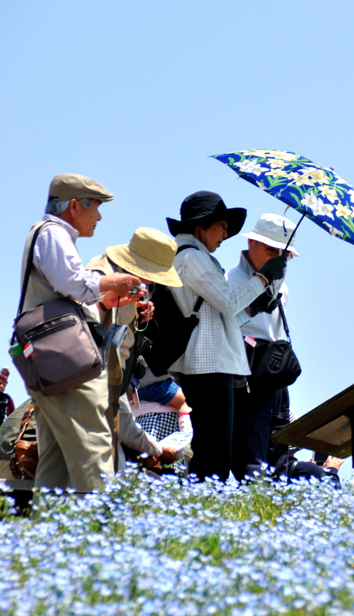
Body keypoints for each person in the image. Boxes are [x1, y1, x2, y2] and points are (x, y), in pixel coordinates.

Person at [17, 174, 142, 493]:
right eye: (96, 207)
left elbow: (65, 290)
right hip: (64, 360)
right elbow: (71, 282)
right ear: (74, 206)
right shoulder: (53, 233)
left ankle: (51, 534)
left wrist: (105, 298)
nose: (99, 217)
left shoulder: (46, 234)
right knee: (94, 443)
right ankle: (99, 531)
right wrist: (112, 282)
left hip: (49, 359)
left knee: (56, 458)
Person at [165, 191, 287, 482]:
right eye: (222, 225)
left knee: (215, 451)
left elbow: (226, 316)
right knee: (213, 453)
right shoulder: (193, 258)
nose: (226, 233)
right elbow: (229, 302)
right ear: (201, 227)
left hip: (211, 364)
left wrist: (257, 302)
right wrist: (261, 279)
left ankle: (202, 508)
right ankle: (202, 511)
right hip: (207, 365)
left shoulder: (198, 257)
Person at [87, 227, 184, 470]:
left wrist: (137, 320)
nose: (153, 282)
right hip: (89, 385)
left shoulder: (130, 282)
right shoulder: (101, 275)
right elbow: (83, 326)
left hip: (107, 386)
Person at [227, 213, 298, 481]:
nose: (279, 257)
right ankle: (256, 514)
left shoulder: (284, 289)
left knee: (279, 454)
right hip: (245, 376)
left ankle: (272, 513)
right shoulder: (229, 280)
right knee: (250, 457)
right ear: (252, 243)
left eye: (285, 253)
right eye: (272, 249)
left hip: (275, 377)